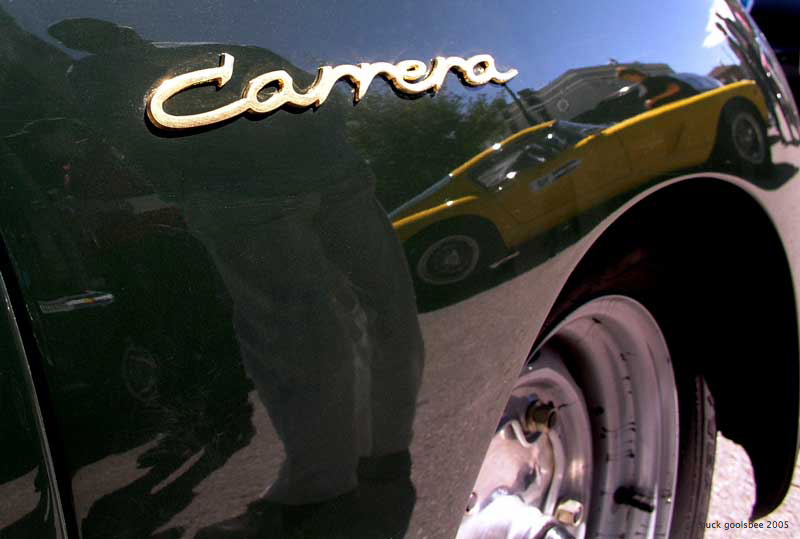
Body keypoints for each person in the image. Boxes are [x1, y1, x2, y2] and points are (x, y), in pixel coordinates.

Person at [615, 67, 697, 110]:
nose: (629, 81)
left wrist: (653, 100)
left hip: (693, 105)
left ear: (634, 74)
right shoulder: (645, 88)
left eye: (628, 78)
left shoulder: (655, 79)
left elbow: (674, 88)